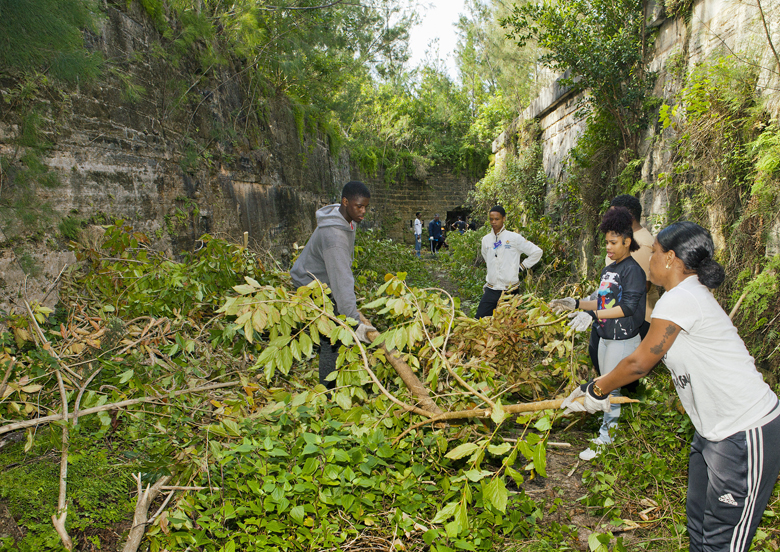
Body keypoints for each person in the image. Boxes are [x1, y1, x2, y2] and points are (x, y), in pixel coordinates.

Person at [560, 221, 780, 552]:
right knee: (699, 526)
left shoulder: (682, 298)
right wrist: (595, 384)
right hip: (710, 432)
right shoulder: (680, 297)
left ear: (670, 258)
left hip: (745, 432)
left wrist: (596, 390)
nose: (648, 259)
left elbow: (639, 363)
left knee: (722, 541)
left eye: (654, 252)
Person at [550, 207, 647, 460]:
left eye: (613, 242)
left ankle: (606, 439)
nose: (608, 247)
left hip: (622, 340)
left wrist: (593, 315)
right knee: (604, 384)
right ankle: (606, 431)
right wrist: (576, 303)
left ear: (627, 241)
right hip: (606, 336)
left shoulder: (633, 271)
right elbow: (603, 302)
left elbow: (628, 307)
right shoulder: (609, 270)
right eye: (606, 242)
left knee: (610, 389)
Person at [290, 181, 376, 389]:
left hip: (324, 281)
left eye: (365, 207)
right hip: (309, 287)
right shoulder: (334, 237)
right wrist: (354, 322)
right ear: (345, 202)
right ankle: (328, 392)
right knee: (332, 338)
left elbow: (341, 271)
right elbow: (341, 279)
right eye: (359, 206)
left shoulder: (345, 219)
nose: (363, 211)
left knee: (337, 329)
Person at [476, 206, 543, 319]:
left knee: (510, 324)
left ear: (504, 219)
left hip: (510, 290)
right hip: (492, 289)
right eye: (491, 219)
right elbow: (487, 258)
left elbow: (537, 252)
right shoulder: (486, 240)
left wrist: (522, 267)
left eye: (497, 219)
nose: (493, 222)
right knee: (480, 320)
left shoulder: (514, 238)